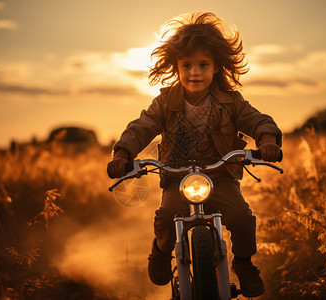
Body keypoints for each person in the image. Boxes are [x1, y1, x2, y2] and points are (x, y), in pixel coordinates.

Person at [107, 12, 282, 298]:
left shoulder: (231, 101)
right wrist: (123, 154)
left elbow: (257, 120)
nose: (194, 72)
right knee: (165, 217)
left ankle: (244, 262)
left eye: (203, 64)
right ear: (176, 67)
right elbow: (141, 127)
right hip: (177, 177)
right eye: (186, 65)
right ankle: (161, 251)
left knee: (240, 216)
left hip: (221, 176)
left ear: (216, 67)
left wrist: (268, 140)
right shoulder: (165, 102)